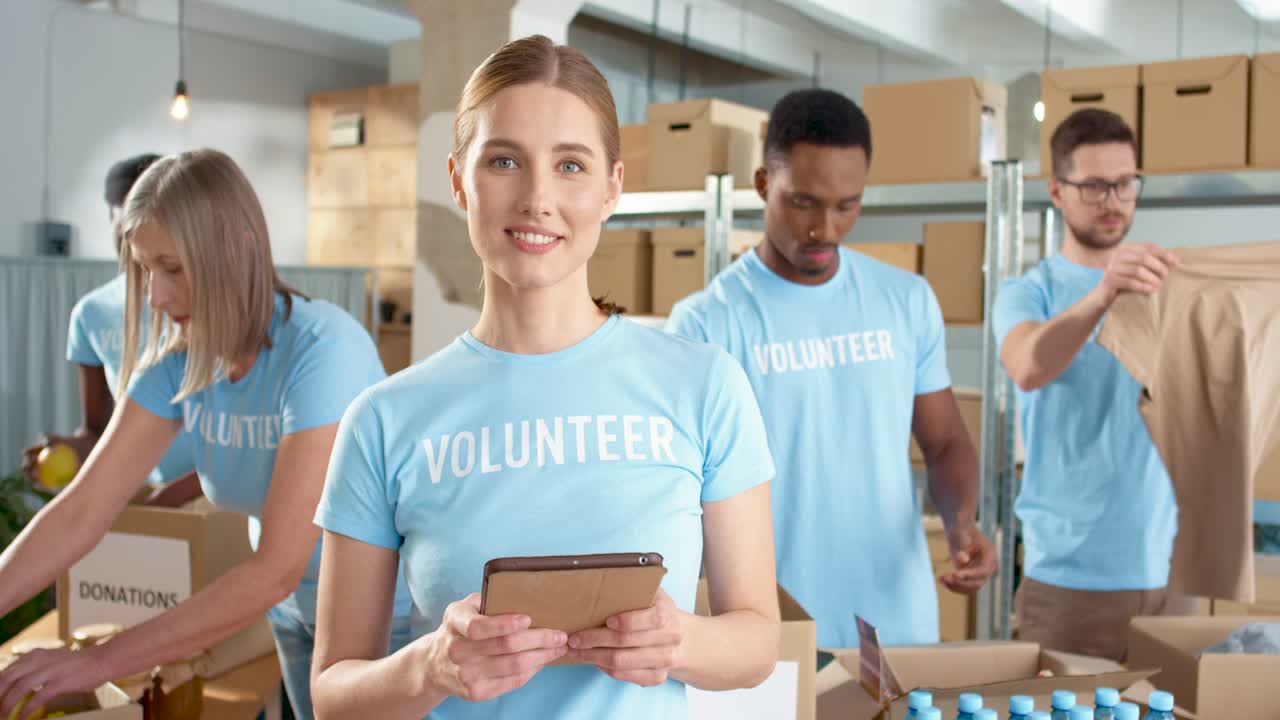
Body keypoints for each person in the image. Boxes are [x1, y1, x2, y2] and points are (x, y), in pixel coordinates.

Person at [310, 35, 781, 719]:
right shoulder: (383, 420)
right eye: (504, 161)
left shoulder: (704, 386)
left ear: (612, 187)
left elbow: (757, 640)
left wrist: (678, 641)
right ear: (458, 179)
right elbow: (331, 696)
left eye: (570, 165)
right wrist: (430, 667)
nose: (537, 198)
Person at [0, 150, 412, 719]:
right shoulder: (177, 365)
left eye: (172, 267)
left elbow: (275, 567)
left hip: (389, 617)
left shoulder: (323, 350)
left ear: (238, 246)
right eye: (145, 270)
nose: (155, 297)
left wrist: (95, 663)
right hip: (294, 611)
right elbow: (80, 513)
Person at [666, 89, 997, 649]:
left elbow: (943, 443)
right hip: (773, 629)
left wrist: (962, 524)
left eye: (847, 205)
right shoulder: (706, 324)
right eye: (803, 202)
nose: (825, 227)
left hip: (897, 623)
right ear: (763, 184)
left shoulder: (905, 299)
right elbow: (681, 498)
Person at [994, 108, 1191, 661]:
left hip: (1170, 574)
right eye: (1095, 186)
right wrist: (1104, 294)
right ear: (1057, 191)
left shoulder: (1168, 287)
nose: (1113, 201)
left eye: (1126, 183)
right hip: (1068, 580)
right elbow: (1028, 364)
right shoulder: (1026, 292)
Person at [21, 153, 201, 507]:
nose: (157, 299)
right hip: (139, 491)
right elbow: (99, 431)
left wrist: (167, 500)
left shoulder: (203, 305)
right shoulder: (91, 314)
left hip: (211, 495)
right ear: (113, 219)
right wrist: (68, 449)